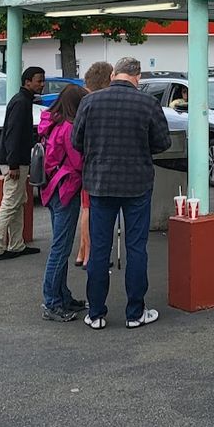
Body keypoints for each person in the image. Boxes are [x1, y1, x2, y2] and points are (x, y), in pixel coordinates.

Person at [71, 56, 171, 330]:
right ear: (137, 76)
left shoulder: (89, 102)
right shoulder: (148, 103)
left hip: (100, 184)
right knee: (136, 247)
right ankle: (135, 312)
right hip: (137, 183)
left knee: (99, 248)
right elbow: (163, 142)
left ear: (114, 74)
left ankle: (96, 313)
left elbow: (75, 141)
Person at [38, 83, 88, 321]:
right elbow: (78, 162)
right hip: (66, 189)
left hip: (50, 187)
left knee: (60, 246)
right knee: (60, 248)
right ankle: (52, 302)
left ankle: (63, 295)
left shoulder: (50, 122)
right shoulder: (69, 128)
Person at [0, 66, 45, 261]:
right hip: (15, 161)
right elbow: (13, 134)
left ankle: (16, 244)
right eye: (39, 80)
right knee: (11, 203)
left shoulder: (21, 100)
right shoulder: (22, 103)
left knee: (18, 202)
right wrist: (13, 164)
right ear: (27, 81)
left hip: (14, 159)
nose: (42, 84)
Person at [74, 61, 114, 268]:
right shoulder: (94, 101)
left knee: (85, 208)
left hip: (86, 165)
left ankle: (82, 251)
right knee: (90, 210)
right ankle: (89, 253)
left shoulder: (84, 100)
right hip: (94, 167)